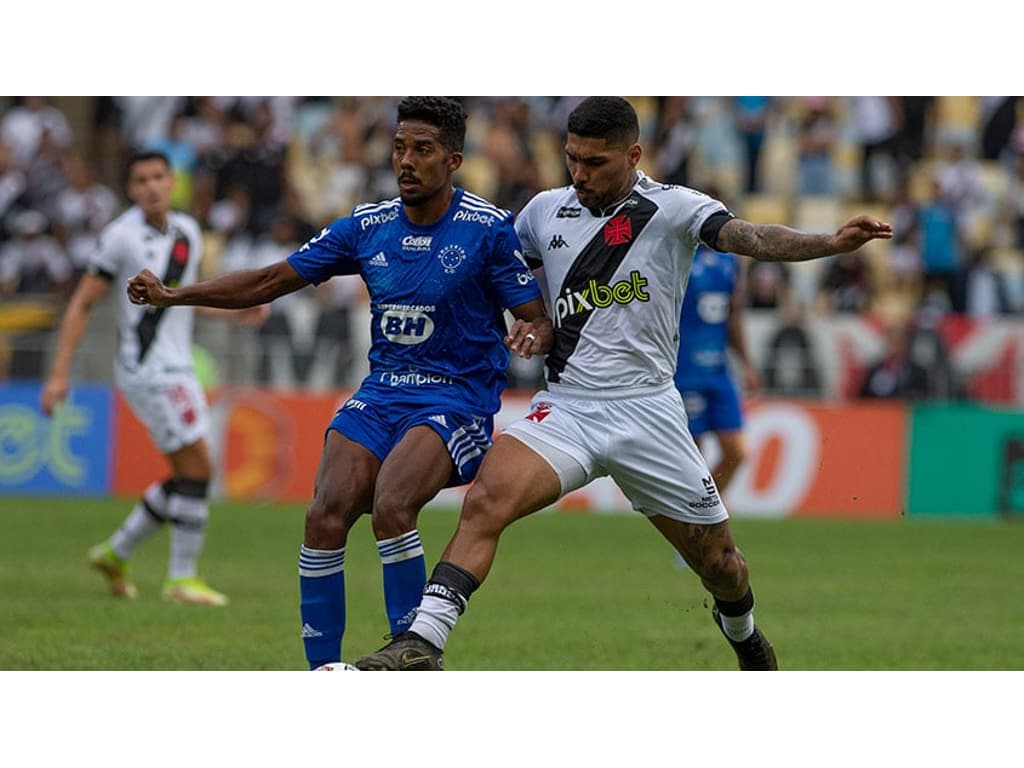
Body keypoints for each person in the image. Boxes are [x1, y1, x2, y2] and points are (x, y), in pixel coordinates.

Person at [355, 96, 893, 672]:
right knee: (487, 500)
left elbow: (753, 239)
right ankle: (422, 643)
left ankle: (746, 636)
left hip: (649, 414)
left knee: (722, 564)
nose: (580, 175)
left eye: (595, 163)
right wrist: (529, 325)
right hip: (568, 410)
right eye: (572, 160)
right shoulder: (542, 212)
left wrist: (830, 244)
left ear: (633, 155)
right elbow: (494, 275)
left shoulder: (676, 209)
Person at [125, 97, 551, 669]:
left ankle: (412, 656)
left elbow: (534, 313)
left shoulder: (487, 229)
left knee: (393, 504)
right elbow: (274, 278)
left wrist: (534, 331)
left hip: (455, 398)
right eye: (400, 147)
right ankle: (322, 671)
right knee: (324, 514)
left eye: (422, 150)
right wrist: (177, 294)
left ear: (453, 161)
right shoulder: (367, 226)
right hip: (380, 394)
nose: (406, 160)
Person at [41, 150, 263, 606]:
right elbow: (82, 303)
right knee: (200, 467)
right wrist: (59, 373)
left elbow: (179, 299)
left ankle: (116, 551)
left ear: (171, 181)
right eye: (141, 179)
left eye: (159, 177)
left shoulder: (188, 232)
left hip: (180, 367)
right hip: (148, 370)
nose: (152, 186)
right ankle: (181, 579)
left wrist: (234, 312)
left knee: (188, 473)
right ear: (130, 188)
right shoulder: (119, 238)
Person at [674, 241, 759, 499]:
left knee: (737, 452)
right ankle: (696, 515)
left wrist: (746, 363)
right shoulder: (678, 254)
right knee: (692, 456)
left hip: (718, 371)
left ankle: (704, 507)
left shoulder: (730, 260)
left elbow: (733, 315)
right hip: (684, 370)